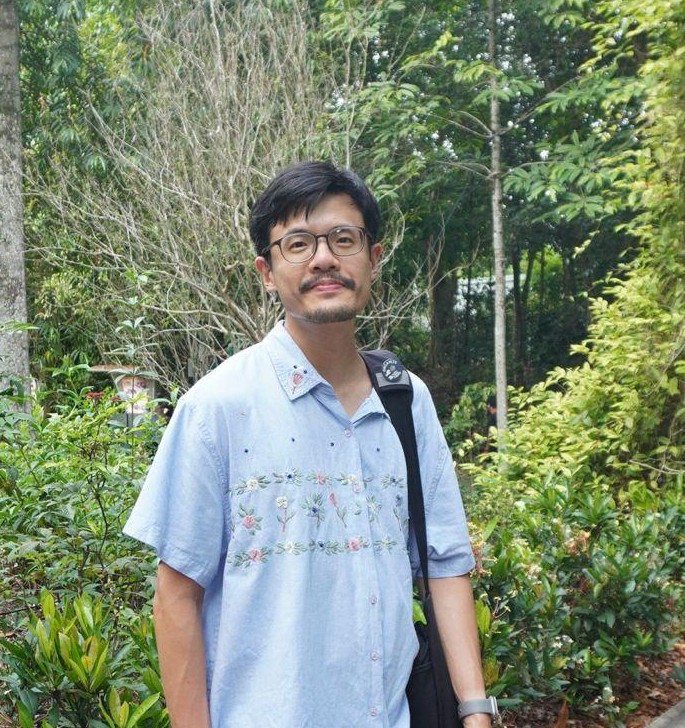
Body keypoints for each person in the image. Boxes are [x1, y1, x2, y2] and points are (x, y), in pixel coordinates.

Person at [124, 161, 497, 728]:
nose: (324, 258)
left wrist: (474, 711)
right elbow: (176, 596)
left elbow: (444, 563)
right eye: (298, 243)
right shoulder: (217, 408)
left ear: (373, 258)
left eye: (343, 239)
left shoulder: (406, 401)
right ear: (266, 271)